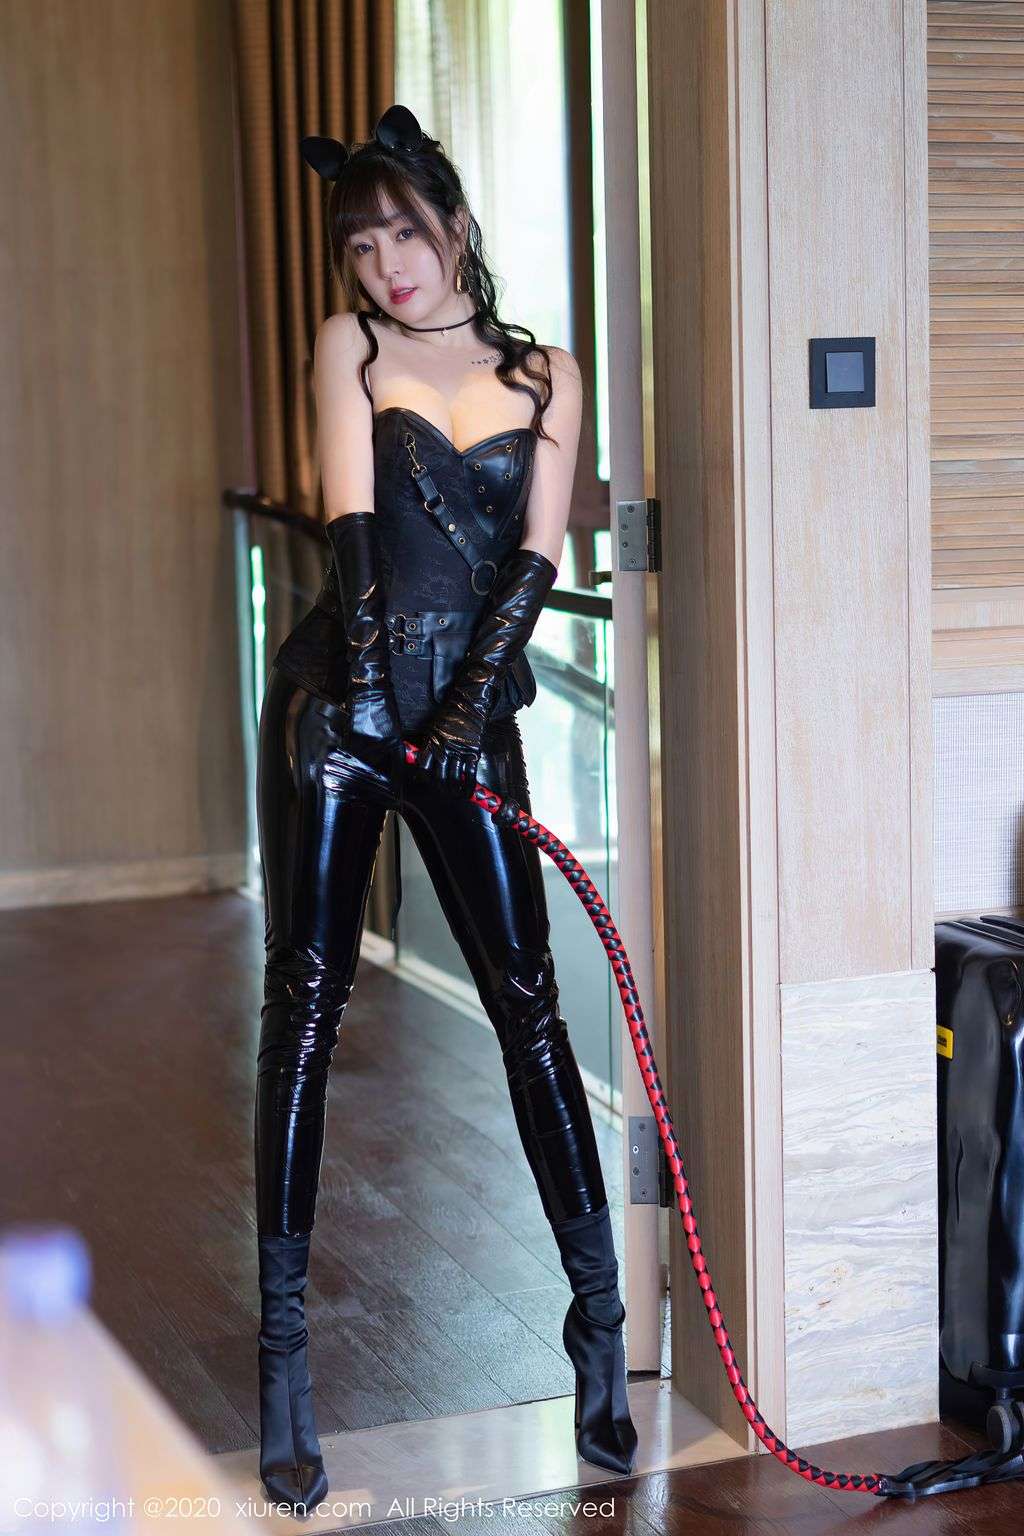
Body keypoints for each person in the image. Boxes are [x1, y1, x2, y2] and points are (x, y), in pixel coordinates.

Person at [253, 104, 638, 1515]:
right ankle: (284, 1364)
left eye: (403, 234)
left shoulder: (549, 374)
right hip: (345, 707)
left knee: (532, 1011)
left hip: (468, 714)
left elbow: (537, 556)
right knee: (306, 1009)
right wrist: (381, 707)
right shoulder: (349, 350)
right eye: (360, 245)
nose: (385, 265)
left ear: (455, 225)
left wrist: (470, 713)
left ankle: (599, 1325)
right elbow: (354, 531)